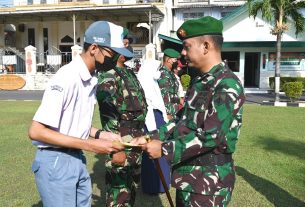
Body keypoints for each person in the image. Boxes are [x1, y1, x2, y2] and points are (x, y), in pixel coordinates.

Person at [133, 16, 245, 207]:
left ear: (206, 46)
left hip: (209, 185)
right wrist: (151, 137)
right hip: (189, 179)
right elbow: (181, 120)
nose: (182, 53)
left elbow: (211, 136)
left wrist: (164, 148)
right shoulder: (200, 81)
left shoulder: (226, 84)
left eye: (186, 46)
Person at [28, 21, 133, 207]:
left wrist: (100, 134)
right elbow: (36, 131)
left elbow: (70, 122)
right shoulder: (67, 77)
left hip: (75, 157)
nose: (115, 59)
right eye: (111, 54)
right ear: (94, 48)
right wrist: (92, 146)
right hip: (56, 160)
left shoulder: (90, 77)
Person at [96, 44, 147, 206]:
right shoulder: (108, 77)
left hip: (136, 139)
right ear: (118, 54)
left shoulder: (129, 73)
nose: (129, 48)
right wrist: (117, 148)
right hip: (121, 139)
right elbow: (108, 116)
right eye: (124, 46)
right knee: (119, 193)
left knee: (132, 188)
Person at [137, 59, 171, 194]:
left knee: (162, 152)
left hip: (159, 120)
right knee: (151, 154)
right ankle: (151, 186)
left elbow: (159, 104)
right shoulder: (144, 82)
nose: (159, 72)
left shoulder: (153, 82)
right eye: (157, 69)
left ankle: (163, 184)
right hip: (150, 121)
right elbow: (148, 107)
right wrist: (152, 128)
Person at [158, 48, 181, 121]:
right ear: (169, 60)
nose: (177, 62)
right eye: (175, 60)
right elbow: (164, 94)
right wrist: (168, 113)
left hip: (175, 111)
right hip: (169, 114)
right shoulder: (163, 74)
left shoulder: (171, 74)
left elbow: (173, 94)